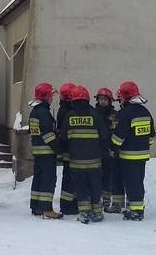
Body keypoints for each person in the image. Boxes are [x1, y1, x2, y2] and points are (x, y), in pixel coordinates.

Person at [61, 85, 109, 224]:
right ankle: (98, 213)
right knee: (95, 186)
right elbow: (104, 136)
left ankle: (84, 213)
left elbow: (63, 138)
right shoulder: (95, 115)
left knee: (81, 187)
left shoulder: (69, 116)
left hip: (76, 162)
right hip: (94, 161)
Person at [111, 80, 155, 221]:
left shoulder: (126, 113)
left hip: (128, 156)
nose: (120, 100)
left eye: (121, 98)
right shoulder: (146, 112)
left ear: (126, 97)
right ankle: (136, 208)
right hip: (142, 156)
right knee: (138, 182)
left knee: (132, 183)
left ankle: (136, 212)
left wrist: (111, 147)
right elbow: (151, 136)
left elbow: (119, 138)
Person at [28, 82, 62, 219]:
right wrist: (58, 147)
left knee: (38, 178)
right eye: (51, 95)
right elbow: (48, 134)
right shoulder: (43, 112)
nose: (52, 98)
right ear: (46, 96)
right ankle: (47, 209)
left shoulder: (35, 111)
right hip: (47, 152)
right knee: (48, 179)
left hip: (38, 151)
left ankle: (36, 206)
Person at [94, 87, 120, 212]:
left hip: (112, 149)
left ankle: (106, 200)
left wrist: (114, 149)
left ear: (110, 101)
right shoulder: (94, 113)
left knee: (109, 176)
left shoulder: (115, 115)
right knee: (98, 175)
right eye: (100, 99)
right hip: (98, 149)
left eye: (105, 99)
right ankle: (97, 199)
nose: (102, 101)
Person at [56, 81, 78, 215]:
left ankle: (69, 203)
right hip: (70, 150)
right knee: (69, 179)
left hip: (67, 150)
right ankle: (68, 206)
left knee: (69, 178)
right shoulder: (66, 112)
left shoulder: (64, 110)